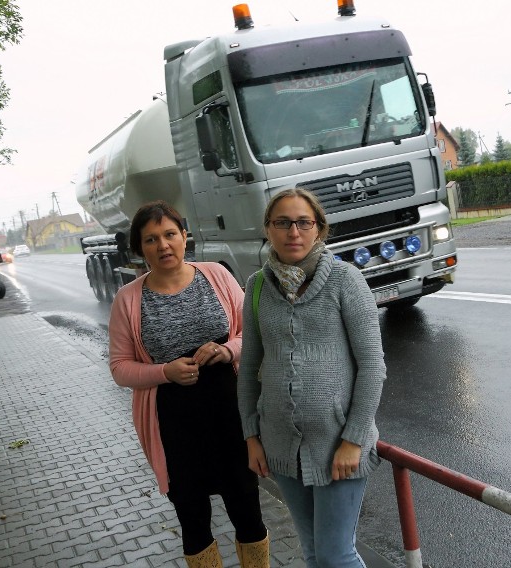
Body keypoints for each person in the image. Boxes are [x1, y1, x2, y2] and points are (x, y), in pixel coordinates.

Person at [109, 200, 269, 568]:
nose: (163, 245)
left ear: (184, 236)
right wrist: (164, 372)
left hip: (232, 417)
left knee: (247, 509)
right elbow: (119, 368)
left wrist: (229, 350)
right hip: (173, 427)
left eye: (170, 234)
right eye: (151, 240)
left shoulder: (216, 275)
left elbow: (254, 333)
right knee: (193, 521)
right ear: (140, 248)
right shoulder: (128, 299)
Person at [238, 188, 386, 568]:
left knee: (337, 556)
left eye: (303, 222)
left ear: (319, 229)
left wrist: (354, 440)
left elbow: (372, 367)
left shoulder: (345, 280)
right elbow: (250, 368)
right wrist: (252, 436)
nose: (293, 232)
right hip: (282, 448)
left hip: (339, 447)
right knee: (314, 554)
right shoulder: (256, 287)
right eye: (282, 222)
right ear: (268, 229)